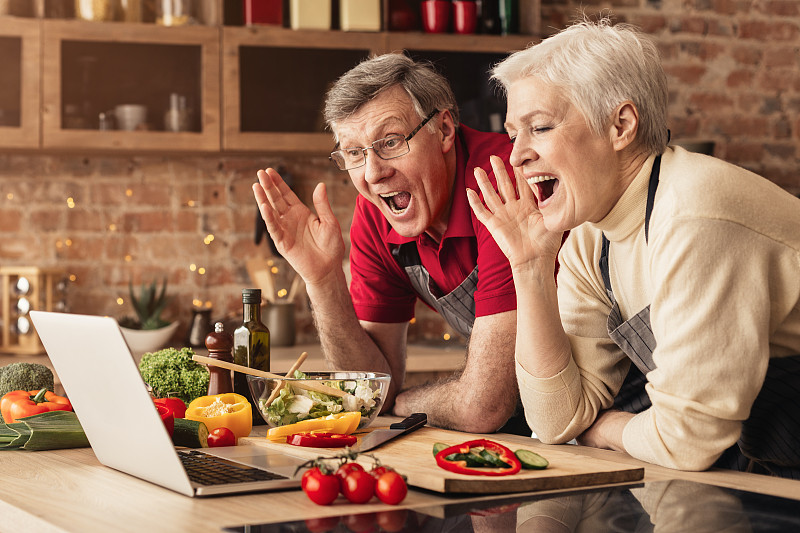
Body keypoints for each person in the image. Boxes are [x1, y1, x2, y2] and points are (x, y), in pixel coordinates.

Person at [467, 17, 800, 476]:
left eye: (539, 128)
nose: (516, 154)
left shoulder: (692, 213)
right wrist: (530, 266)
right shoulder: (591, 239)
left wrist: (605, 430)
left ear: (620, 125)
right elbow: (555, 419)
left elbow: (687, 440)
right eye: (512, 134)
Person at [252, 53, 528, 433]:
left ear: (445, 129)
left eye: (391, 141)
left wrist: (405, 402)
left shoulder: (500, 184)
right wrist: (323, 279)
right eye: (354, 153)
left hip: (617, 407)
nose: (373, 173)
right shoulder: (376, 213)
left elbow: (482, 407)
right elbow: (371, 383)